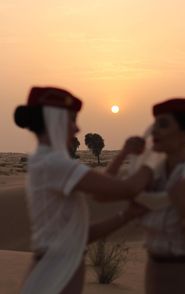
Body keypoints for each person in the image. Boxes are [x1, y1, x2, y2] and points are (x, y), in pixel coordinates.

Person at [14, 86, 155, 294]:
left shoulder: (45, 162)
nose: (77, 129)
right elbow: (128, 188)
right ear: (56, 120)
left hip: (55, 272)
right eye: (72, 120)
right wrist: (156, 157)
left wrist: (127, 214)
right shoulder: (55, 164)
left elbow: (93, 207)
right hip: (53, 276)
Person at [108, 98, 185, 294]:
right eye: (155, 124)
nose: (154, 130)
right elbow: (106, 193)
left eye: (163, 124)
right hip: (154, 280)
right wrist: (124, 154)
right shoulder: (150, 180)